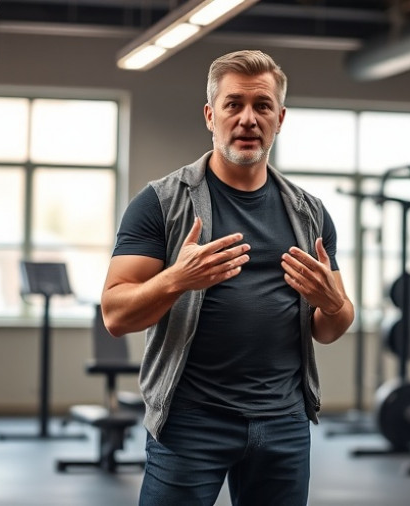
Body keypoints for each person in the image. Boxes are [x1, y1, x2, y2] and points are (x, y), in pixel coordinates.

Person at [100, 49, 354, 506]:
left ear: (280, 117)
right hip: (191, 420)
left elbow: (331, 327)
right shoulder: (160, 203)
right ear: (210, 115)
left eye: (262, 106)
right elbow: (116, 314)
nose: (248, 119)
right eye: (233, 104)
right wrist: (177, 279)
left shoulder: (309, 213)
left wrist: (331, 303)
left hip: (284, 421)